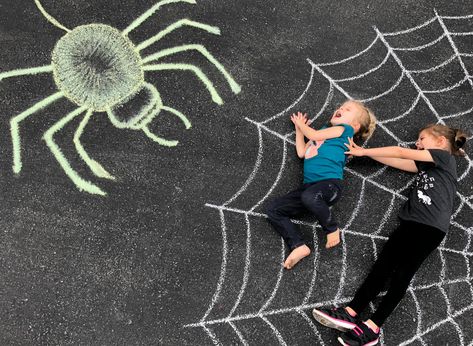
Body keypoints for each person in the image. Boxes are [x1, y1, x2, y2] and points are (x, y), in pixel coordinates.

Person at [312, 124, 468, 346]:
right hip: (413, 222)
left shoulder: (443, 157)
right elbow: (401, 161)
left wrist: (364, 151)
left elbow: (401, 152)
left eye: (422, 138)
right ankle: (351, 311)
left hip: (430, 227)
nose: (417, 143)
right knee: (382, 267)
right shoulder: (429, 165)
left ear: (441, 141)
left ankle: (373, 327)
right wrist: (370, 157)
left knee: (401, 275)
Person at [266, 100, 376, 269]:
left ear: (354, 126)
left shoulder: (343, 130)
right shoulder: (324, 132)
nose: (340, 109)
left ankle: (331, 229)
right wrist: (299, 130)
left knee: (310, 196)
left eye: (347, 110)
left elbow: (313, 135)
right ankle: (298, 245)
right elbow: (302, 152)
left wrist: (303, 126)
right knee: (274, 209)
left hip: (329, 185)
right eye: (340, 107)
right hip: (309, 188)